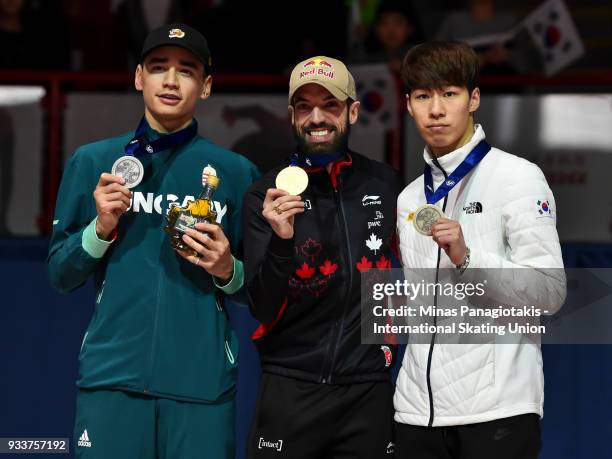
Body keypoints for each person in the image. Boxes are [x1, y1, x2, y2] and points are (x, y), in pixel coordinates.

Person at [47, 23, 258, 459]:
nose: (170, 80)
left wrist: (227, 270)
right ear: (139, 77)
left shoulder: (235, 173)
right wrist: (100, 228)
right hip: (111, 381)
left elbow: (259, 289)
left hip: (202, 385)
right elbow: (60, 274)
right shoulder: (94, 162)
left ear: (206, 87)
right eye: (159, 67)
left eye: (187, 70)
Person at [394, 41, 566, 458]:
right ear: (408, 105)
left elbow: (550, 292)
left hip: (497, 413)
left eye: (449, 94)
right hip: (416, 415)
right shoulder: (409, 199)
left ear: (473, 99)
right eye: (423, 96)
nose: (436, 110)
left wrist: (468, 260)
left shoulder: (518, 178)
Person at [242, 56, 404, 458]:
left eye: (330, 105)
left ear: (352, 111)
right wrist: (281, 241)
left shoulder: (384, 183)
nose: (317, 117)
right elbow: (261, 306)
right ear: (292, 116)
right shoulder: (266, 195)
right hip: (291, 386)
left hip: (368, 390)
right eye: (304, 106)